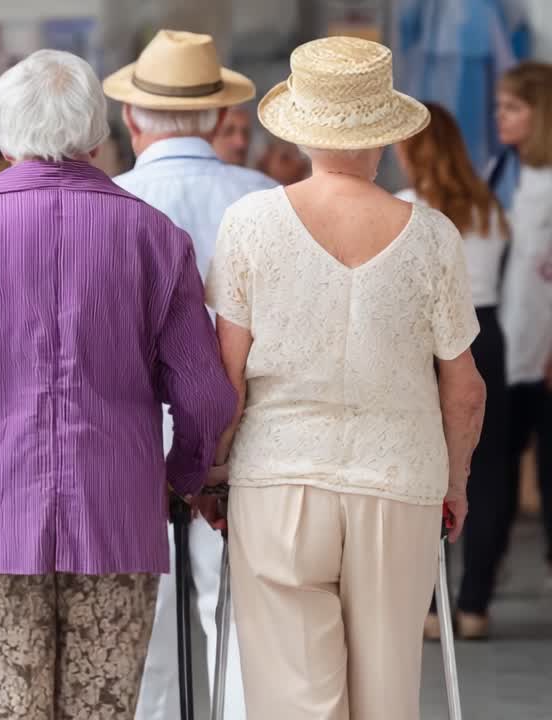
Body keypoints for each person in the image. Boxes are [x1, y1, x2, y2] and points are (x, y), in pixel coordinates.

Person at [0, 49, 236, 719]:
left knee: (7, 709)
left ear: (3, 133)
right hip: (117, 515)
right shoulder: (153, 234)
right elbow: (205, 394)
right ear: (98, 134)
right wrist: (185, 476)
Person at [206, 37, 487, 718]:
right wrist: (454, 485)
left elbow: (227, 375)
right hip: (399, 481)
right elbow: (465, 388)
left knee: (293, 696)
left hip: (279, 477)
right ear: (385, 137)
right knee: (388, 691)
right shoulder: (432, 236)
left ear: (300, 133)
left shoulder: (250, 224)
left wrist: (213, 473)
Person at [104, 29, 275, 720]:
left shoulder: (108, 201)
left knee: (146, 628)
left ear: (131, 117)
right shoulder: (267, 197)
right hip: (243, 431)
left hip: (134, 432)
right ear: (216, 117)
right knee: (234, 616)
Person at [396, 102, 510, 640]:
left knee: (431, 475)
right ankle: (474, 605)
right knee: (487, 477)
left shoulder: (405, 210)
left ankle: (429, 605)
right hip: (490, 336)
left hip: (434, 344)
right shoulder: (489, 206)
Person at [495, 61, 552, 590]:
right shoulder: (498, 172)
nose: (501, 118)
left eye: (513, 108)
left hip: (544, 348)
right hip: (506, 343)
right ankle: (480, 588)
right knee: (498, 470)